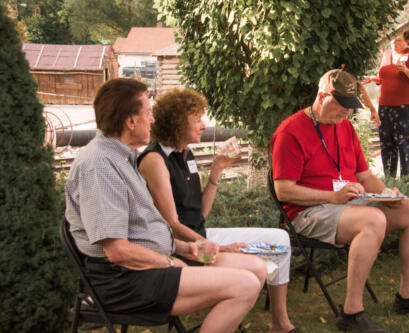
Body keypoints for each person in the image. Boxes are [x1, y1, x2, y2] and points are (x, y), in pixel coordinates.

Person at [64, 78, 268, 333]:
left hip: (148, 267)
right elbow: (117, 252)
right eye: (148, 113)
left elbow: (145, 230)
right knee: (245, 285)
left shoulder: (122, 156)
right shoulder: (100, 165)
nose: (152, 120)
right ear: (130, 121)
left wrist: (189, 247)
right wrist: (170, 261)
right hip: (125, 280)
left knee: (256, 269)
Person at [271, 68, 409, 332]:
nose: (347, 113)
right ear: (322, 96)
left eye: (350, 107)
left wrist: (387, 194)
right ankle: (351, 313)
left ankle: (407, 296)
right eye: (342, 106)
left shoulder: (344, 127)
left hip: (347, 204)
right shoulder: (291, 132)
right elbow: (283, 191)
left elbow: (365, 176)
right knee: (373, 220)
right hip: (307, 212)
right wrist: (332, 196)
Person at [137, 88, 297, 333]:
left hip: (200, 236)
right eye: (197, 119)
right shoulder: (155, 160)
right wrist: (217, 247)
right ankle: (226, 301)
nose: (204, 125)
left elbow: (200, 212)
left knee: (280, 240)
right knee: (256, 268)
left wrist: (217, 169)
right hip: (182, 248)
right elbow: (172, 224)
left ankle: (277, 323)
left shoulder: (186, 154)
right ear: (177, 123)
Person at [364, 31, 409, 179]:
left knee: (403, 142)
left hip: (405, 105)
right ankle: (389, 178)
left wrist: (406, 71)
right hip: (385, 105)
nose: (394, 43)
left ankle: (405, 179)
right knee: (386, 141)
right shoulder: (386, 55)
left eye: (397, 40)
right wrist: (373, 79)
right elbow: (385, 77)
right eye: (392, 41)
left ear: (407, 41)